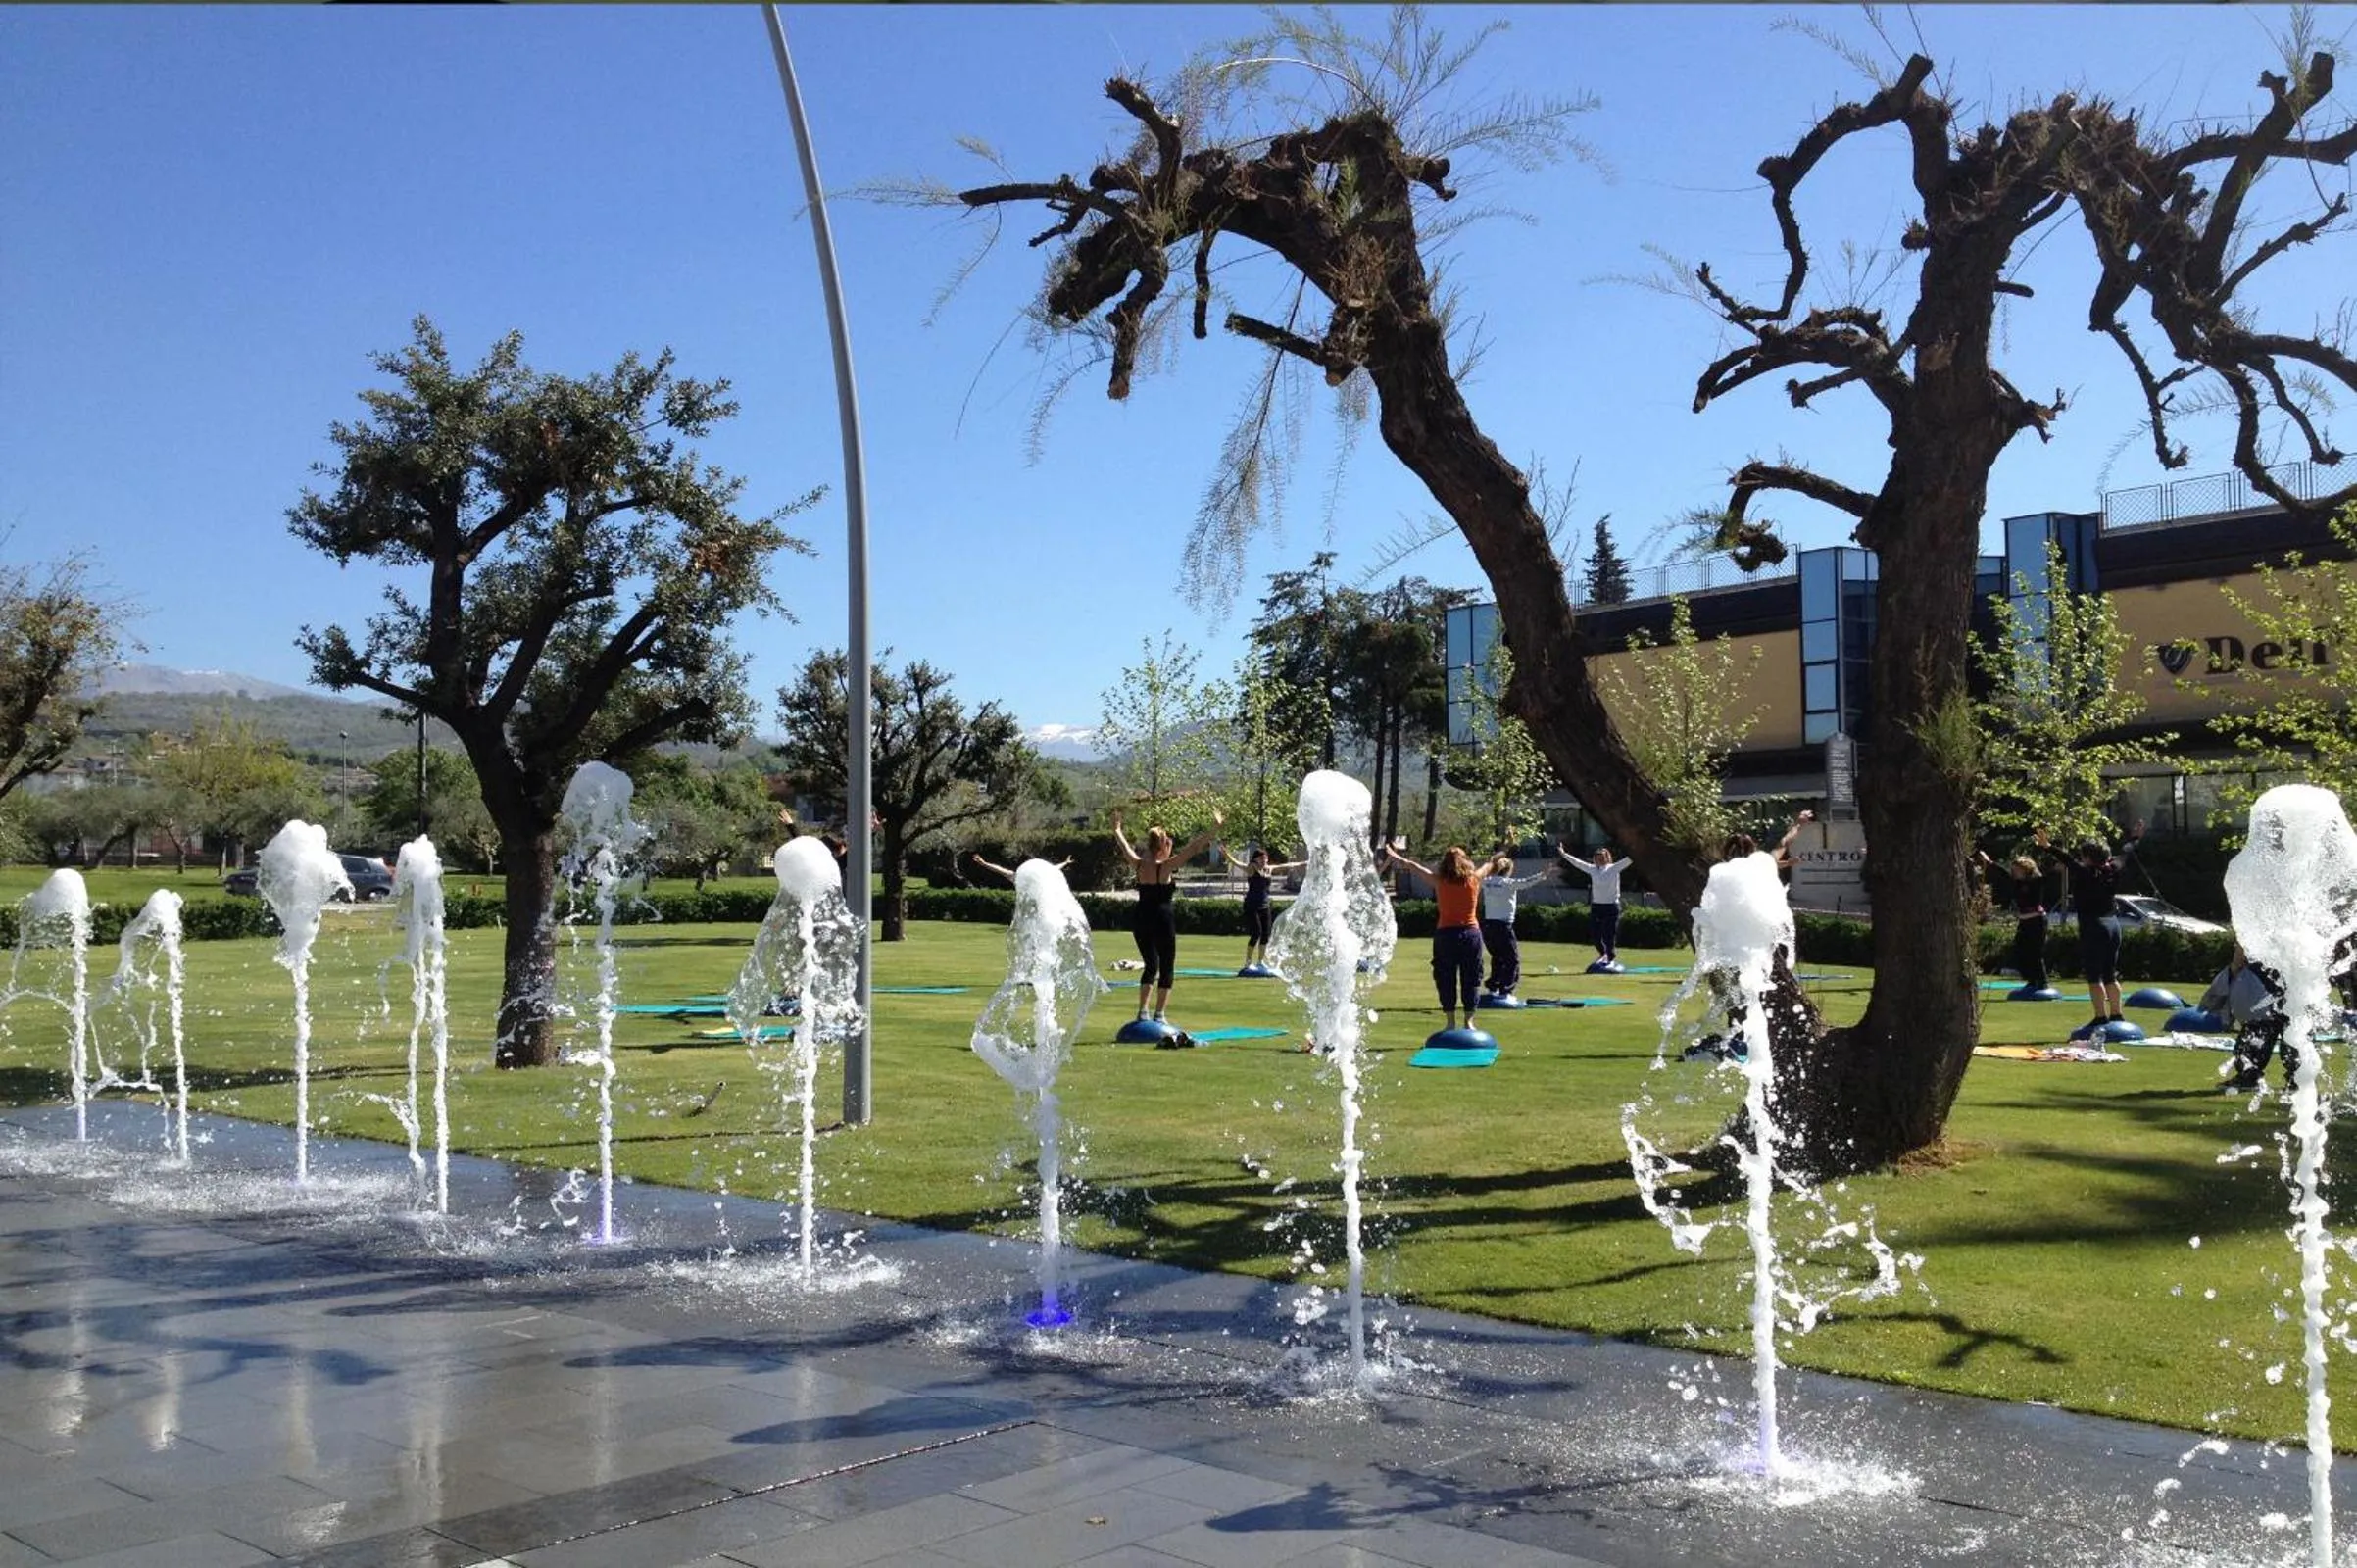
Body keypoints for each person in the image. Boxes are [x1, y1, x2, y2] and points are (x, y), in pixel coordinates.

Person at [1110, 806, 1224, 1026]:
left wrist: (1117, 830)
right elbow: (1193, 848)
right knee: (1167, 966)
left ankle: (1142, 1011)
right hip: (1162, 918)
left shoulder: (1139, 864)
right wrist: (1214, 829)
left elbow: (1124, 847)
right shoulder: (1166, 866)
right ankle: (1159, 1014)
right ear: (1162, 846)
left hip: (1142, 918)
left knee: (1150, 965)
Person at [1381, 845, 1487, 1031]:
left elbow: (1413, 866)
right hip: (1470, 934)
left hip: (1446, 935)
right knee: (1471, 977)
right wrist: (1506, 848)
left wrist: (1397, 856)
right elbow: (1491, 863)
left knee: (1445, 977)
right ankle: (1469, 1021)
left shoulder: (1439, 881)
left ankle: (1450, 1022)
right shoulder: (1474, 879)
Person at [2037, 828, 2126, 1033]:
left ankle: (2100, 1017)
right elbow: (2125, 853)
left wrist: (2049, 847)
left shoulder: (2086, 872)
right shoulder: (2112, 869)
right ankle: (2116, 1014)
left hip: (2094, 925)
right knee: (2110, 974)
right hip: (2113, 925)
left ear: (2088, 857)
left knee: (2094, 975)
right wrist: (2136, 838)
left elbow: (2068, 860)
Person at [2202, 944, 2294, 1093]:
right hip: (2284, 985)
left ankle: (2249, 1076)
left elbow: (2240, 954)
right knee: (2292, 1032)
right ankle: (2296, 1078)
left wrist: (2235, 967)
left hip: (2262, 988)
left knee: (2258, 1031)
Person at [1472, 849, 1551, 996]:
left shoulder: (1487, 882)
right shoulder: (1509, 883)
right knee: (1512, 959)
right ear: (1509, 870)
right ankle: (1506, 990)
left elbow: (1485, 866)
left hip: (1488, 926)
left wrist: (1497, 856)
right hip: (1503, 926)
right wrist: (1543, 874)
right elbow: (1527, 882)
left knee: (1497, 957)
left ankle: (1493, 986)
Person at [1975, 848, 2052, 993]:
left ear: (2025, 869)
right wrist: (1989, 862)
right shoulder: (2015, 883)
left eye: (2017, 870)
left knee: (2035, 952)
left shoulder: (2036, 881)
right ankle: (2031, 980)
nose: (2014, 872)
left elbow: (2046, 876)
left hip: (2037, 921)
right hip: (2024, 922)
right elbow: (2002, 874)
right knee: (2021, 950)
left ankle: (2042, 982)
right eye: (2014, 870)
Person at [1221, 845, 1304, 970]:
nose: (1264, 861)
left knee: (1266, 934)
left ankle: (1260, 962)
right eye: (1261, 859)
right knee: (1256, 933)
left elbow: (1286, 866)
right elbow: (1236, 863)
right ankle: (1248, 963)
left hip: (1264, 905)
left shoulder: (1268, 869)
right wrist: (1227, 855)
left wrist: (1304, 863)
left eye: (1266, 859)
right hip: (1251, 905)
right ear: (1256, 859)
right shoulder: (1251, 868)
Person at [1557, 843, 1633, 968]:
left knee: (1609, 934)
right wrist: (1564, 854)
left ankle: (1610, 956)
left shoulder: (1614, 868)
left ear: (1607, 858)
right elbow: (1578, 863)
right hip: (1597, 906)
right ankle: (1603, 954)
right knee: (1595, 934)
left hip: (1611, 906)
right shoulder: (1592, 869)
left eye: (1602, 857)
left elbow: (1630, 859)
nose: (1600, 860)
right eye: (1597, 858)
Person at [968, 851, 1072, 885]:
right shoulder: (1018, 877)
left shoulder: (1041, 875)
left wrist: (1066, 862)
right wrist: (984, 863)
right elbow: (999, 870)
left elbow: (1055, 868)